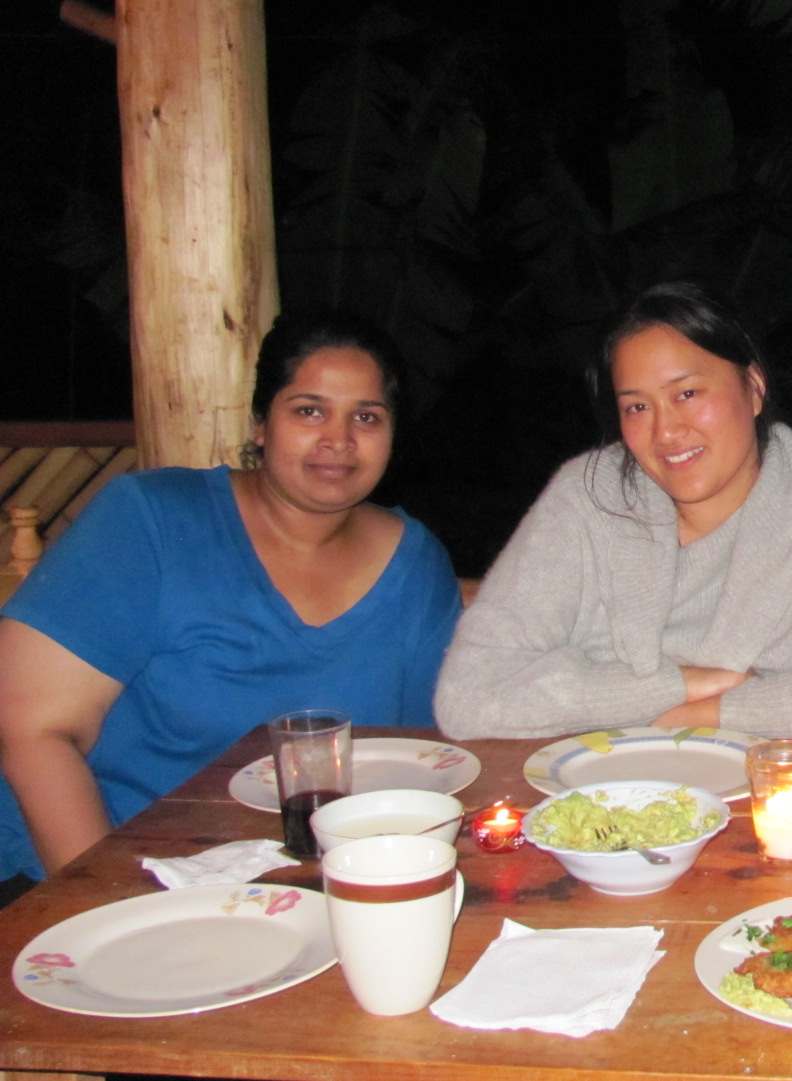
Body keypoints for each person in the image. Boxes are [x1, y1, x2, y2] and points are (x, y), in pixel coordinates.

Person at [0, 311, 461, 893]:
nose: (339, 439)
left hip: (293, 889)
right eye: (309, 410)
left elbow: (422, 754)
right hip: (82, 877)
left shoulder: (414, 566)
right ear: (261, 424)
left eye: (366, 417)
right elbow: (31, 731)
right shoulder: (154, 521)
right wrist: (109, 905)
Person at [435, 281, 792, 739]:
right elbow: (467, 698)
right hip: (600, 783)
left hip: (777, 783)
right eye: (637, 407)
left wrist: (671, 721)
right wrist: (682, 685)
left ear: (754, 387)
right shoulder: (589, 495)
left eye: (687, 394)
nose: (665, 432)